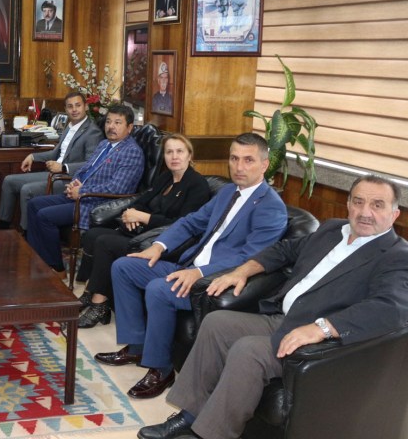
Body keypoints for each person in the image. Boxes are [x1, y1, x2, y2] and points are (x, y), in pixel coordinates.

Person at [139, 175, 408, 439]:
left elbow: (391, 308)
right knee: (216, 323)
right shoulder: (333, 230)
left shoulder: (396, 256)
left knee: (248, 351)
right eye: (358, 202)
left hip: (320, 341)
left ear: (394, 214)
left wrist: (322, 328)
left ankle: (210, 434)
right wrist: (242, 271)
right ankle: (190, 417)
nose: (365, 212)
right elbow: (285, 250)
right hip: (284, 317)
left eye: (377, 205)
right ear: (348, 204)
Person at [94, 132, 288, 399]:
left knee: (159, 289)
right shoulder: (228, 192)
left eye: (248, 160)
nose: (239, 167)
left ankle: (161, 369)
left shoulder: (271, 208)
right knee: (124, 267)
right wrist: (158, 246)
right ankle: (137, 345)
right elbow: (190, 222)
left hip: (213, 280)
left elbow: (250, 257)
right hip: (188, 266)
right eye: (234, 158)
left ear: (264, 165)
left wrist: (198, 273)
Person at [77, 134, 210, 328]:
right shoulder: (165, 177)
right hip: (141, 233)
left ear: (190, 155)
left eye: (180, 151)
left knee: (105, 243)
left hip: (165, 244)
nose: (174, 156)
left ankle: (99, 304)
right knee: (92, 235)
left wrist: (143, 217)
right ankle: (90, 292)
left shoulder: (197, 185)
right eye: (169, 152)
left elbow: (182, 225)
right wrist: (130, 214)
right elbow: (141, 201)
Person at [26, 104, 145, 273]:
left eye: (117, 123)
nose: (111, 126)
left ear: (130, 127)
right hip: (82, 195)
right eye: (108, 122)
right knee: (34, 204)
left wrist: (81, 191)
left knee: (45, 216)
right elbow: (84, 169)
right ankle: (36, 260)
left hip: (98, 203)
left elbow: (117, 188)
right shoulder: (104, 144)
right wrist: (75, 183)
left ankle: (55, 268)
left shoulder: (131, 152)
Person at [0, 91, 103, 231]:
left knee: (27, 190)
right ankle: (3, 228)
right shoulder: (69, 127)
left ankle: (25, 233)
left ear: (86, 107)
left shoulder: (92, 132)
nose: (74, 109)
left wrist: (64, 167)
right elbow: (55, 153)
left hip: (69, 179)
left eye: (78, 105)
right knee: (9, 181)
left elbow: (91, 165)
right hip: (54, 174)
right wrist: (33, 156)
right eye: (70, 106)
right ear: (65, 109)